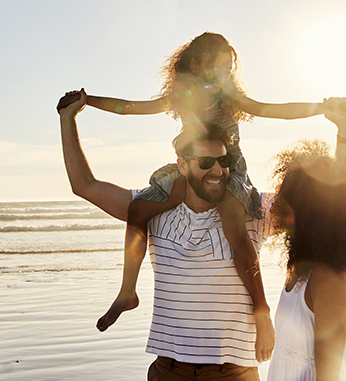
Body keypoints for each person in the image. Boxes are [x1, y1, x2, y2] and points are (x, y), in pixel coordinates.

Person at [57, 32, 330, 343]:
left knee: (232, 222)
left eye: (230, 68)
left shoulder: (230, 96)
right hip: (193, 165)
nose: (227, 74)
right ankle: (127, 291)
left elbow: (271, 109)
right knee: (139, 209)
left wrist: (320, 108)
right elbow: (132, 107)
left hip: (228, 166)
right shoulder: (181, 96)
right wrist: (87, 101)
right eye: (220, 66)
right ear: (197, 64)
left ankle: (261, 309)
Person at [265, 100, 346, 380]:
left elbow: (329, 374)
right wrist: (345, 132)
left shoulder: (327, 278)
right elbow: (339, 192)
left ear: (309, 214)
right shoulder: (300, 266)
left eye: (287, 200)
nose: (277, 206)